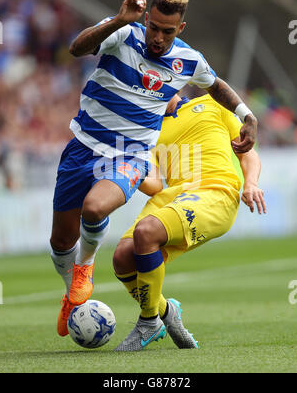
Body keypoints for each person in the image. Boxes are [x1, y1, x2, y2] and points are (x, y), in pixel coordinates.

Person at [49, 0, 258, 337]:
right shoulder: (122, 33)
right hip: (83, 146)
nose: (158, 37)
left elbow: (215, 84)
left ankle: (84, 271)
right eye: (154, 27)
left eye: (168, 31)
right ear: (146, 18)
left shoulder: (188, 60)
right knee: (59, 242)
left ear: (181, 29)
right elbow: (76, 48)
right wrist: (118, 19)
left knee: (95, 209)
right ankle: (72, 294)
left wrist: (246, 114)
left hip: (129, 153)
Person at [112, 92, 266, 351]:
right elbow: (154, 185)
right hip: (172, 196)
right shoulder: (147, 128)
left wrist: (250, 183)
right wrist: (129, 172)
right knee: (122, 258)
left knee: (146, 231)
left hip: (214, 190)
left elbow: (247, 153)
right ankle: (166, 311)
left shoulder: (213, 103)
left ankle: (149, 321)